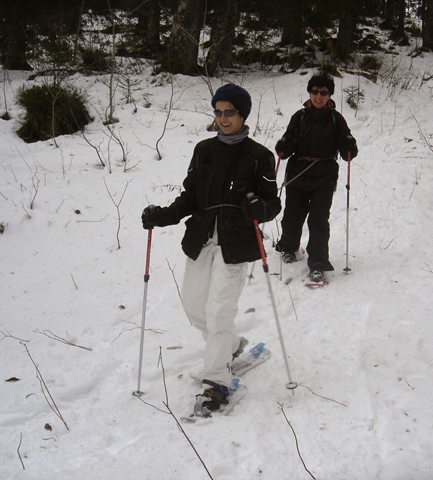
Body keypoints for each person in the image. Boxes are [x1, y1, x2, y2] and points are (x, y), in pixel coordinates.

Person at [141, 84, 281, 415]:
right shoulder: (204, 150)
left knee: (219, 311)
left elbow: (273, 204)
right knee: (195, 308)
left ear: (242, 114)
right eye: (218, 112)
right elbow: (190, 196)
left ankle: (216, 382)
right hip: (201, 238)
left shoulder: (259, 156)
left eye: (229, 112)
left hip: (236, 243)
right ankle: (230, 347)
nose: (222, 118)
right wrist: (162, 216)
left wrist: (258, 209)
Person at [274, 71, 358, 284]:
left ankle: (318, 263)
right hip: (298, 173)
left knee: (318, 220)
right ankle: (289, 247)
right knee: (293, 215)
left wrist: (349, 146)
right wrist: (283, 146)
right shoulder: (299, 117)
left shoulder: (336, 119)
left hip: (324, 176)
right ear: (309, 92)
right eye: (314, 92)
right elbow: (289, 142)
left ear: (330, 95)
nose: (318, 96)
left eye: (323, 92)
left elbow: (347, 146)